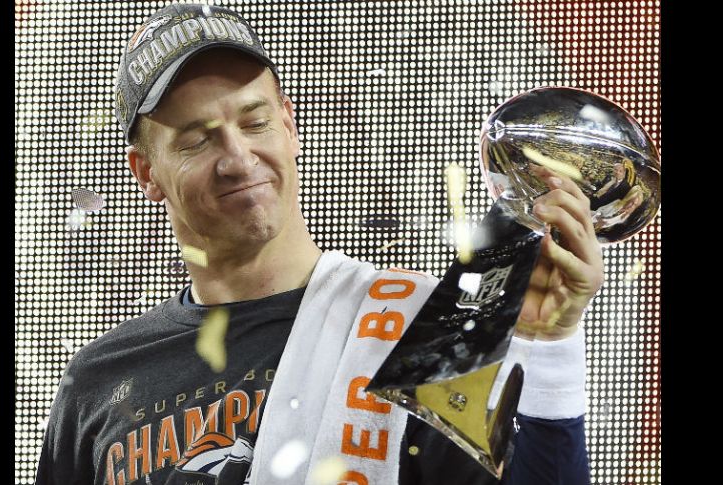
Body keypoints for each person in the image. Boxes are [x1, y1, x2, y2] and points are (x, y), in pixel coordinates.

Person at [35, 4, 604, 485]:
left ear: (289, 125)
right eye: (197, 140)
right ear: (146, 173)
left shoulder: (421, 328)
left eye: (254, 123)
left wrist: (551, 348)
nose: (238, 159)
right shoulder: (99, 382)